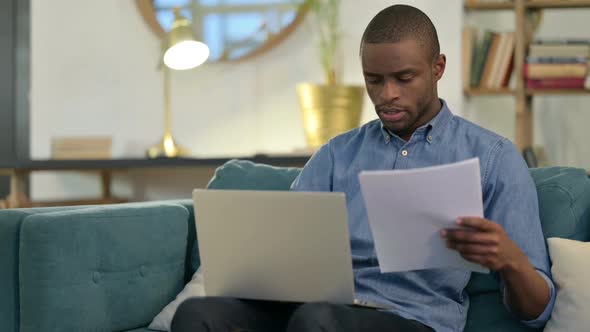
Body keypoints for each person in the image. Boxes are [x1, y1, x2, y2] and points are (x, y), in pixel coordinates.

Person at [171, 4, 555, 332]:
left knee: (317, 320)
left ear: (437, 68)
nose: (387, 94)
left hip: (411, 318)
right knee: (198, 314)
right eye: (374, 80)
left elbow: (537, 313)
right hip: (318, 309)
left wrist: (510, 259)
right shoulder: (337, 154)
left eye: (404, 78)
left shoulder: (493, 157)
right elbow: (285, 254)